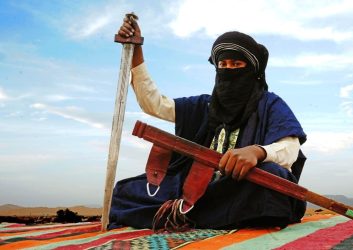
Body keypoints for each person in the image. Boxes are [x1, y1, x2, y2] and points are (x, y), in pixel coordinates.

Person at [109, 16, 307, 230]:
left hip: (240, 184)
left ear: (252, 70)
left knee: (272, 179)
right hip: (196, 186)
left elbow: (290, 147)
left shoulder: (269, 103)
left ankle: (181, 214)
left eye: (236, 64)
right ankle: (194, 213)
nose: (228, 70)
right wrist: (136, 50)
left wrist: (257, 152)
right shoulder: (205, 105)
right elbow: (154, 104)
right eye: (223, 64)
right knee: (124, 191)